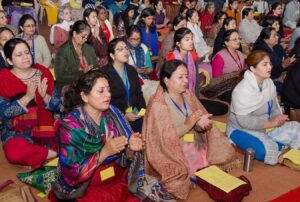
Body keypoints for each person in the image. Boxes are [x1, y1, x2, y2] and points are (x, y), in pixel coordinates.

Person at [143, 59, 236, 200]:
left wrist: (200, 125)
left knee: (211, 159)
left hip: (194, 141)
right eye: (180, 77)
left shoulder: (187, 95)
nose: (185, 80)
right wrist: (188, 125)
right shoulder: (158, 104)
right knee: (183, 175)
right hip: (172, 150)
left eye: (186, 76)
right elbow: (161, 140)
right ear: (166, 80)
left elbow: (197, 123)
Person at [51, 70, 143, 201]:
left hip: (114, 176)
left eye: (108, 90)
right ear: (84, 96)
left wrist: (130, 149)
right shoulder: (70, 127)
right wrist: (103, 153)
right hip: (83, 186)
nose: (108, 95)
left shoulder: (113, 112)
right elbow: (72, 174)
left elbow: (124, 157)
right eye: (101, 91)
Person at [227, 50, 300, 165]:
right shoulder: (241, 90)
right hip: (241, 128)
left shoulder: (269, 83)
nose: (269, 67)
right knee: (262, 151)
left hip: (266, 126)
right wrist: (271, 123)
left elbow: (274, 108)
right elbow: (244, 122)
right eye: (264, 64)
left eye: (270, 64)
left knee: (297, 128)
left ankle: (279, 146)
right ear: (252, 68)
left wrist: (279, 119)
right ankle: (279, 146)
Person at [0, 38, 60, 168]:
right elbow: (3, 113)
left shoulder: (43, 72)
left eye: (27, 52)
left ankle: (39, 155)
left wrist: (45, 97)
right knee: (13, 153)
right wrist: (27, 97)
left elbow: (57, 105)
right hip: (18, 130)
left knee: (73, 138)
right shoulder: (3, 79)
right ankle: (50, 153)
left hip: (46, 126)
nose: (25, 57)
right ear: (9, 61)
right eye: (19, 55)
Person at [166, 28, 228, 115]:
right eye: (187, 39)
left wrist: (195, 99)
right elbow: (169, 86)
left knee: (222, 108)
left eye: (192, 39)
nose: (191, 42)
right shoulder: (172, 58)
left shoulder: (192, 55)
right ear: (178, 43)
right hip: (176, 99)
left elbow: (195, 82)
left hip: (191, 96)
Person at [100, 38, 146, 132]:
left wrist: (143, 112)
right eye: (120, 49)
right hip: (115, 120)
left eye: (126, 48)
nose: (125, 51)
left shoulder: (131, 70)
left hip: (135, 115)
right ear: (112, 55)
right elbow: (105, 101)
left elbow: (138, 94)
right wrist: (123, 115)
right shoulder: (104, 74)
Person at [54, 20, 98, 94]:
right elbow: (60, 76)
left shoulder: (88, 48)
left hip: (87, 83)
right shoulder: (63, 51)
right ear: (74, 33)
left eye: (87, 37)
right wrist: (82, 73)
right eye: (83, 36)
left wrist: (95, 69)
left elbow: (96, 66)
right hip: (68, 85)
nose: (85, 40)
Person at [209, 29, 245, 103]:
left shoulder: (240, 54)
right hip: (223, 87)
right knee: (241, 97)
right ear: (226, 42)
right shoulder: (220, 56)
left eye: (239, 38)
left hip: (239, 83)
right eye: (234, 39)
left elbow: (243, 72)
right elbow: (216, 80)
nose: (238, 41)